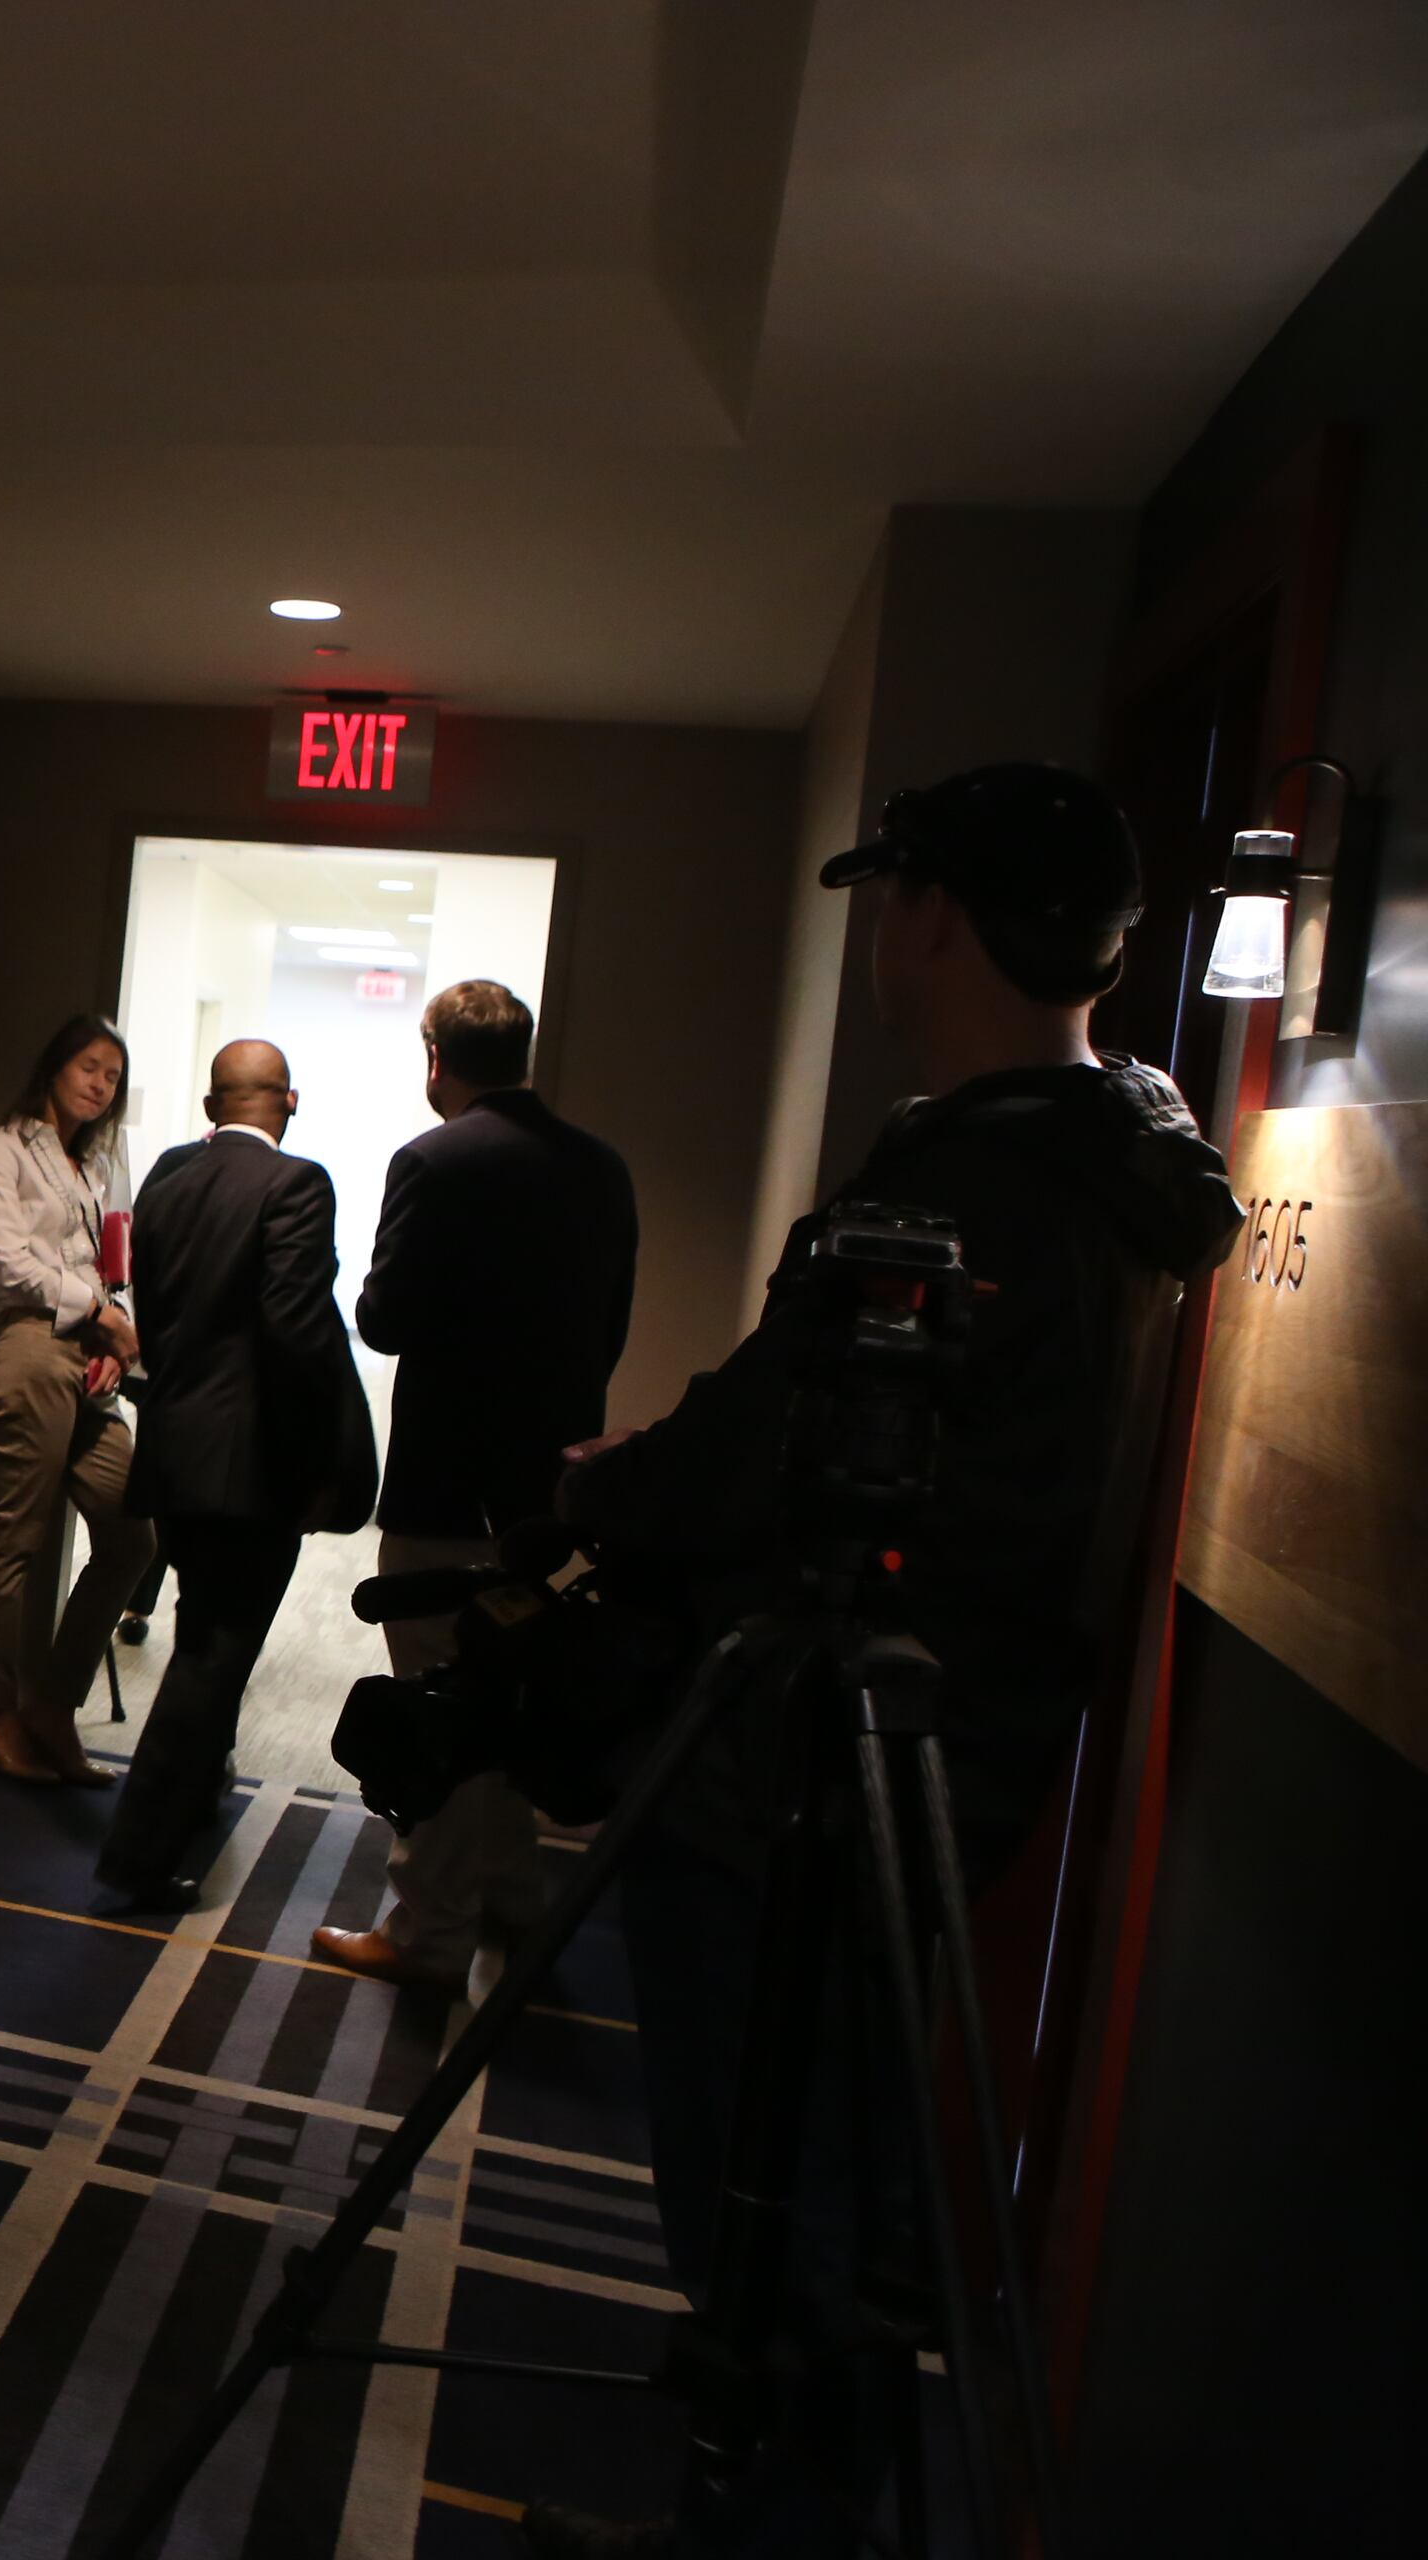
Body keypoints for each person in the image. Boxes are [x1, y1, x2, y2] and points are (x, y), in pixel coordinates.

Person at [523, 764, 1238, 2560]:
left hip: (805, 1768)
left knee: (770, 2199)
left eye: (887, 899)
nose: (876, 937)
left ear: (931, 911)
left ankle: (765, 2523)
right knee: (835, 2171)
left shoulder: (980, 1179)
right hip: (951, 1740)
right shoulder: (1123, 1151)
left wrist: (605, 1499)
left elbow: (782, 1430)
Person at [313, 980, 639, 1996]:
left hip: (448, 1479)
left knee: (437, 1706)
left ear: (435, 1055)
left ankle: (428, 1934)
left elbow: (386, 1317)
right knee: (511, 1691)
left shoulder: (432, 1160)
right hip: (545, 1488)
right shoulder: (601, 1167)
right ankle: (511, 1894)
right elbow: (611, 1326)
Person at [91, 1040, 378, 1914]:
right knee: (216, 1655)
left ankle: (197, 1788)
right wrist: (314, 1458)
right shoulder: (298, 1184)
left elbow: (161, 1306)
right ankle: (142, 1853)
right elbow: (295, 1331)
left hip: (174, 1448)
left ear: (214, 1104)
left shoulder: (169, 1177)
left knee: (200, 1629)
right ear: (288, 1102)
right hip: (250, 1466)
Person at [0, 1014, 162, 1787]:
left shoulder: (100, 1167)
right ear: (54, 1066)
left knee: (132, 1538)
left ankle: (50, 1705)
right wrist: (99, 1311)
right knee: (13, 1539)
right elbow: (12, 1267)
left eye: (112, 1075)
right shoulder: (1, 1149)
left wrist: (113, 1329)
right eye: (88, 1066)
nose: (99, 1083)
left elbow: (114, 1266)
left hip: (90, 1360)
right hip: (32, 1347)